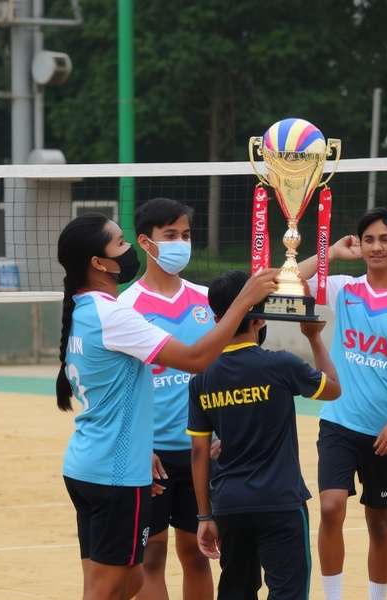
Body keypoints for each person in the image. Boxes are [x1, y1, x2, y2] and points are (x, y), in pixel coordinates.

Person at [55, 214, 277, 600]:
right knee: (112, 586)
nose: (128, 250)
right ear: (99, 263)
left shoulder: (82, 310)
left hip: (87, 465)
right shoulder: (114, 314)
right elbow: (195, 359)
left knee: (125, 581)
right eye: (120, 243)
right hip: (114, 474)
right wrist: (243, 302)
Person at [297, 207, 387, 600]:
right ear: (359, 245)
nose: (376, 247)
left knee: (379, 523)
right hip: (338, 421)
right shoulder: (344, 288)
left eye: (384, 239)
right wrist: (331, 253)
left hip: (386, 432)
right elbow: (287, 279)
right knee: (330, 508)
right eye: (369, 240)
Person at [187, 270, 341, 600]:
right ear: (260, 318)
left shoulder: (201, 377)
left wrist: (204, 515)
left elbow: (199, 451)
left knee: (236, 591)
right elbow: (333, 389)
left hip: (229, 504)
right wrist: (314, 338)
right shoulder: (281, 365)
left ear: (218, 319)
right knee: (288, 592)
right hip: (280, 500)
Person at [119, 198, 214, 600]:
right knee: (151, 557)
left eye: (186, 235)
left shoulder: (207, 299)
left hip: (202, 450)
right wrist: (137, 447)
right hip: (151, 454)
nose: (181, 243)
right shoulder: (125, 307)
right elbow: (119, 391)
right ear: (146, 242)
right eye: (171, 235)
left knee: (198, 554)